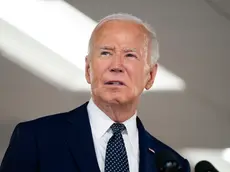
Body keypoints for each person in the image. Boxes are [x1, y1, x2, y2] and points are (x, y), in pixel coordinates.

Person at [0, 13, 190, 172]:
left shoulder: (172, 165)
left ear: (151, 75)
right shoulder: (36, 139)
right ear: (88, 69)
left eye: (130, 55)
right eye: (106, 53)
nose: (116, 66)